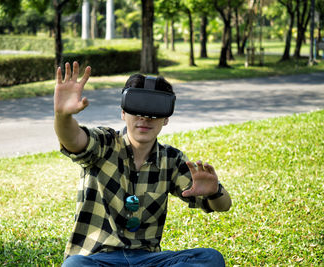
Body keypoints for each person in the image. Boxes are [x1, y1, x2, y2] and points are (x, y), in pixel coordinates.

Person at [54, 61, 232, 267]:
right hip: (97, 259)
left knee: (210, 258)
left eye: (155, 111)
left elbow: (224, 205)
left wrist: (214, 191)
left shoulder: (171, 160)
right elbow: (73, 139)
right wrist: (62, 116)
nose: (145, 117)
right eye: (136, 108)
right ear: (123, 112)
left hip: (147, 260)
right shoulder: (104, 144)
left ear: (166, 118)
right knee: (74, 266)